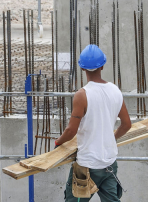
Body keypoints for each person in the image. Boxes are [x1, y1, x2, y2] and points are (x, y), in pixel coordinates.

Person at [55, 44, 131, 201]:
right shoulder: (115, 90)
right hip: (109, 164)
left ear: (82, 69)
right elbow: (126, 125)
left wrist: (58, 143)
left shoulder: (82, 95)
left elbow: (71, 131)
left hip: (87, 166)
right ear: (102, 66)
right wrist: (111, 139)